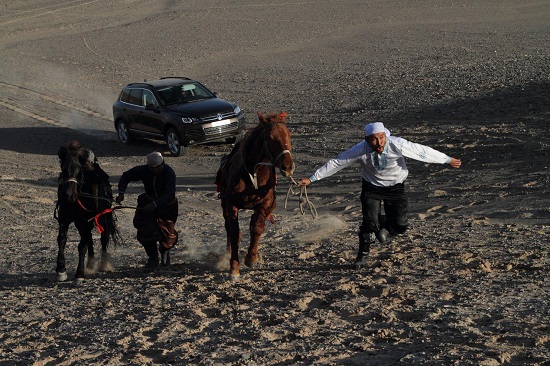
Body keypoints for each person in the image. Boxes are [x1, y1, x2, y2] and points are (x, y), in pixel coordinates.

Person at [299, 122, 461, 269]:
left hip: (395, 188)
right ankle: (362, 256)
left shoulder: (397, 145)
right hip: (372, 188)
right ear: (367, 139)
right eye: (374, 139)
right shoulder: (360, 149)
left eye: (381, 138)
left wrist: (447, 160)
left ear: (386, 136)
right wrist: (312, 178)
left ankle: (383, 225)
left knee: (400, 225)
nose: (379, 142)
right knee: (369, 224)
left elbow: (421, 151)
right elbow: (337, 162)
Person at [115, 152, 179, 270]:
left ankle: (165, 251)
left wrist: (155, 204)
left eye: (157, 168)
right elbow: (126, 176)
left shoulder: (169, 173)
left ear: (162, 164)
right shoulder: (144, 171)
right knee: (145, 232)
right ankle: (153, 258)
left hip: (167, 208)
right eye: (152, 168)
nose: (155, 171)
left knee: (168, 235)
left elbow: (169, 194)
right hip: (147, 205)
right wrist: (121, 193)